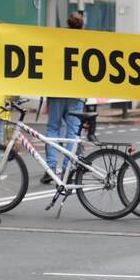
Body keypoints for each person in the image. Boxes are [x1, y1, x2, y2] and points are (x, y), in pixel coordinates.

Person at [45, 12, 87, 176]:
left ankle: (51, 166)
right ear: (82, 26)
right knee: (72, 131)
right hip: (76, 92)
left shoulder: (56, 39)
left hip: (56, 90)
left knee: (53, 128)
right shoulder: (89, 42)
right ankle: (68, 167)